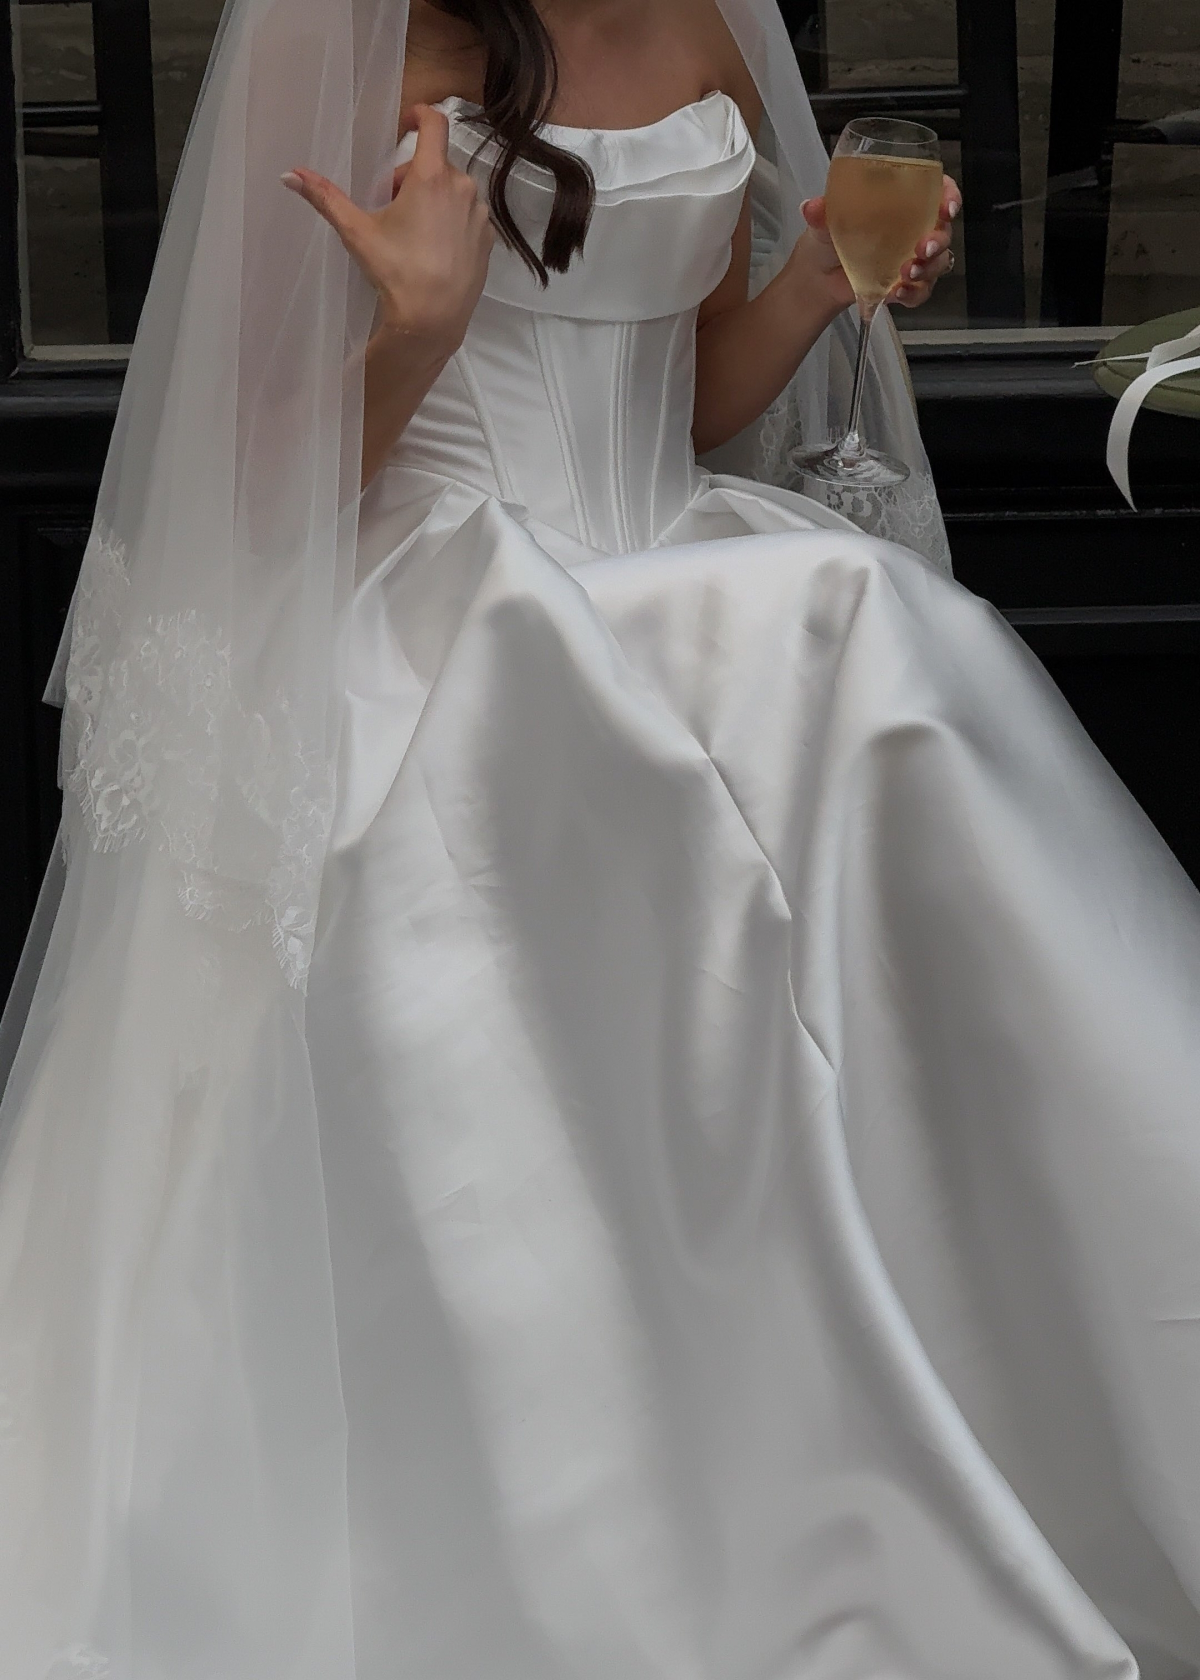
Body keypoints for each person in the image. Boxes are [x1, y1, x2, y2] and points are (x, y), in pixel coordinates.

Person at [2, 1, 1200, 1678]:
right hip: (440, 607)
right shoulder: (347, 42)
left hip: (686, 567)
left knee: (861, 638)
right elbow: (248, 498)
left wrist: (816, 278)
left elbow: (689, 398)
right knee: (741, 650)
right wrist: (418, 328)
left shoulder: (704, 21)